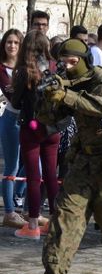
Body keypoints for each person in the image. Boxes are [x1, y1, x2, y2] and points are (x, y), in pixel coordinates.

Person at [19, 39, 102, 274]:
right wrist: (50, 98)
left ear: (84, 60)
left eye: (74, 62)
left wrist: (67, 95)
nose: (68, 68)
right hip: (82, 163)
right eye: (64, 63)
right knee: (64, 220)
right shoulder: (66, 82)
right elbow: (48, 119)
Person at [11, 30, 60, 239]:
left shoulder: (24, 72)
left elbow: (16, 102)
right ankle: (56, 222)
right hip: (53, 128)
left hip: (31, 128)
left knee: (33, 176)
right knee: (51, 175)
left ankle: (32, 226)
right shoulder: (55, 68)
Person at [0, 29, 27, 229]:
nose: (12, 46)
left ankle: (22, 204)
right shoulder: (2, 68)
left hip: (28, 121)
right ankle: (9, 212)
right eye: (9, 42)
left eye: (16, 42)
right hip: (12, 119)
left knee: (34, 164)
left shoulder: (25, 67)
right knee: (12, 167)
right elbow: (12, 96)